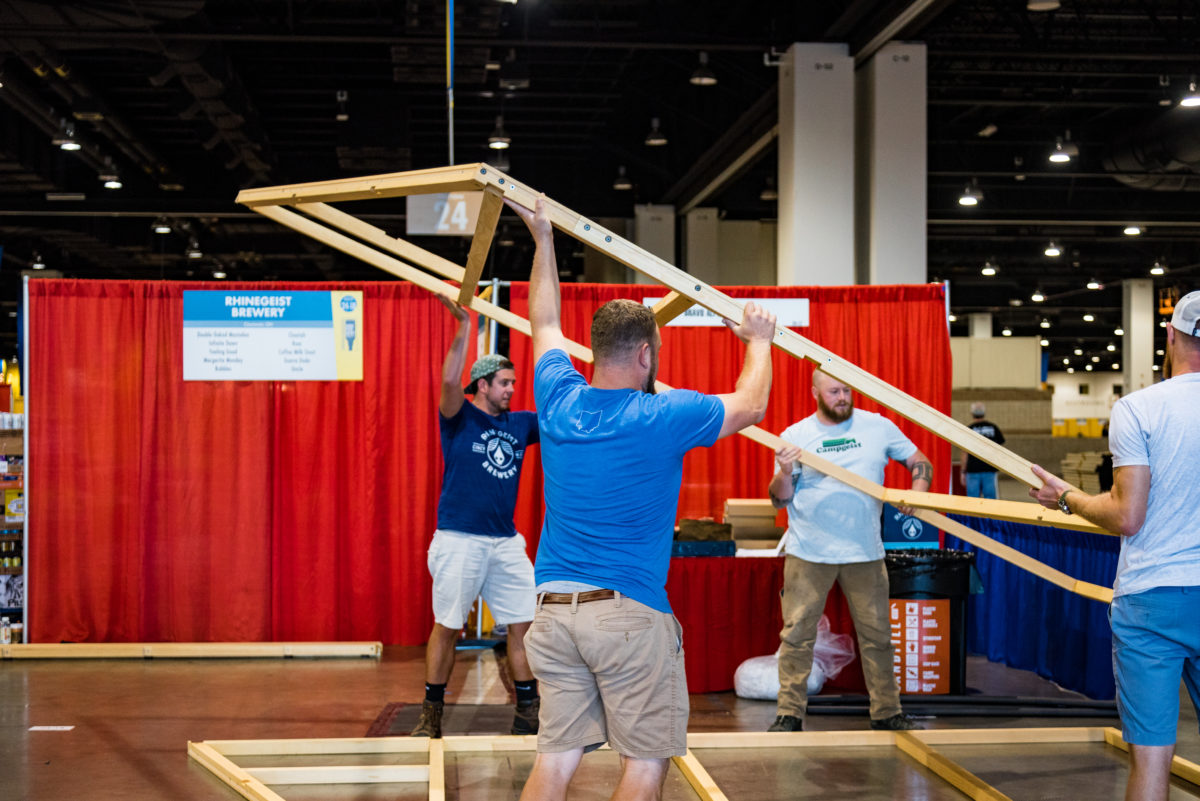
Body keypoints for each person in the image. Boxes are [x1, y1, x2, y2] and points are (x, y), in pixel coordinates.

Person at [508, 194, 775, 801]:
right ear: (647, 355)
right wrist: (758, 341)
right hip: (626, 613)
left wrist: (544, 238)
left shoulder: (558, 399)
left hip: (551, 613)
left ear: (595, 352)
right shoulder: (661, 413)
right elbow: (752, 406)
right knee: (646, 762)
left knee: (556, 758)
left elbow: (544, 321)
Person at [1030, 290, 1200, 801]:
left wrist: (1068, 497)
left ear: (1169, 334)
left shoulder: (1138, 409)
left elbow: (1127, 515)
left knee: (1150, 762)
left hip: (1151, 598)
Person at [767, 369, 933, 732]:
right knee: (796, 635)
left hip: (865, 552)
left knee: (878, 636)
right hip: (808, 552)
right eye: (833, 391)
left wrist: (917, 489)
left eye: (846, 390)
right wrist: (784, 470)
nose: (842, 397)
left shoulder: (878, 426)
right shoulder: (796, 436)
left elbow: (921, 460)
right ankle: (789, 714)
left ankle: (887, 712)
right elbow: (780, 500)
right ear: (814, 393)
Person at [410, 295, 541, 739]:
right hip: (459, 539)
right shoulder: (459, 417)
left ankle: (528, 712)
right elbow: (448, 382)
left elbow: (565, 420)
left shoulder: (521, 424)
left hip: (505, 542)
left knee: (525, 624)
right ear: (482, 384)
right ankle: (431, 715)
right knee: (447, 626)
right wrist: (463, 327)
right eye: (504, 383)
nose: (511, 389)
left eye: (513, 383)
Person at [961, 402, 1005, 499]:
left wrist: (963, 471)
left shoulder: (969, 429)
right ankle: (990, 515)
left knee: (973, 499)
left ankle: (973, 515)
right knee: (990, 500)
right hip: (989, 468)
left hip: (973, 470)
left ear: (972, 413)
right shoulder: (993, 428)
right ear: (984, 413)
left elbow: (965, 453)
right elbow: (999, 449)